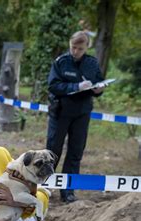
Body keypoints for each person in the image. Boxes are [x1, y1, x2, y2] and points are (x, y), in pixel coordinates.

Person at [46, 31, 105, 203]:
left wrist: (99, 89)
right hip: (61, 112)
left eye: (80, 48)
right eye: (73, 47)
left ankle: (68, 191)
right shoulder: (61, 62)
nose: (76, 51)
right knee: (52, 151)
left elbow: (99, 82)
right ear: (69, 44)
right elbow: (53, 85)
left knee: (75, 152)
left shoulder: (92, 63)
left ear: (87, 47)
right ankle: (44, 186)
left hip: (82, 113)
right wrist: (76, 86)